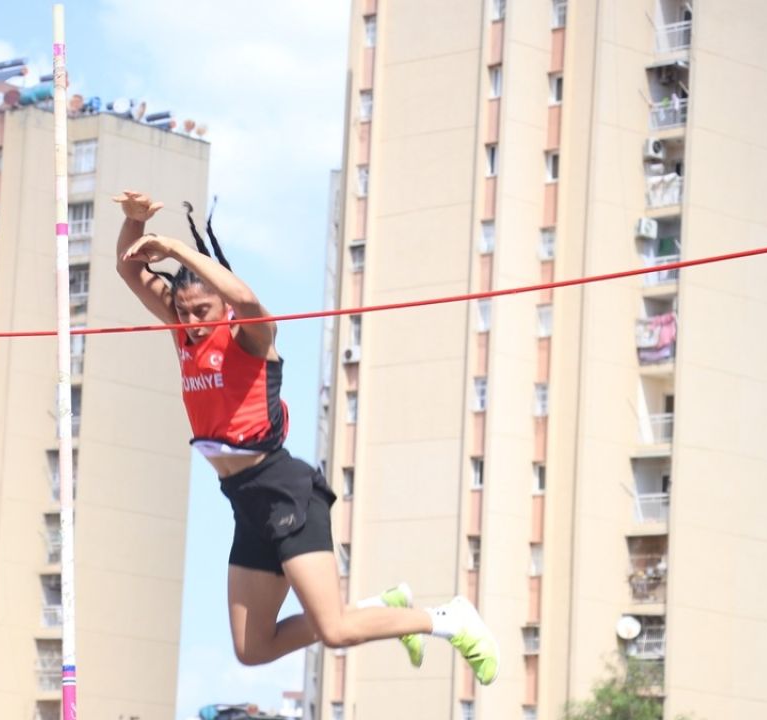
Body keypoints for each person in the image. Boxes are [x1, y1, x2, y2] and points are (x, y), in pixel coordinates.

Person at [111, 190, 499, 682]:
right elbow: (129, 270)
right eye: (183, 310)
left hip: (284, 490)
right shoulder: (183, 331)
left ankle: (446, 619)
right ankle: (381, 606)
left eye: (201, 310)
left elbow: (247, 299)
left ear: (223, 308)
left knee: (335, 631)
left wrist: (180, 250)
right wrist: (133, 223)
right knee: (253, 648)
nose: (189, 321)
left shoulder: (249, 335)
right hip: (245, 501)